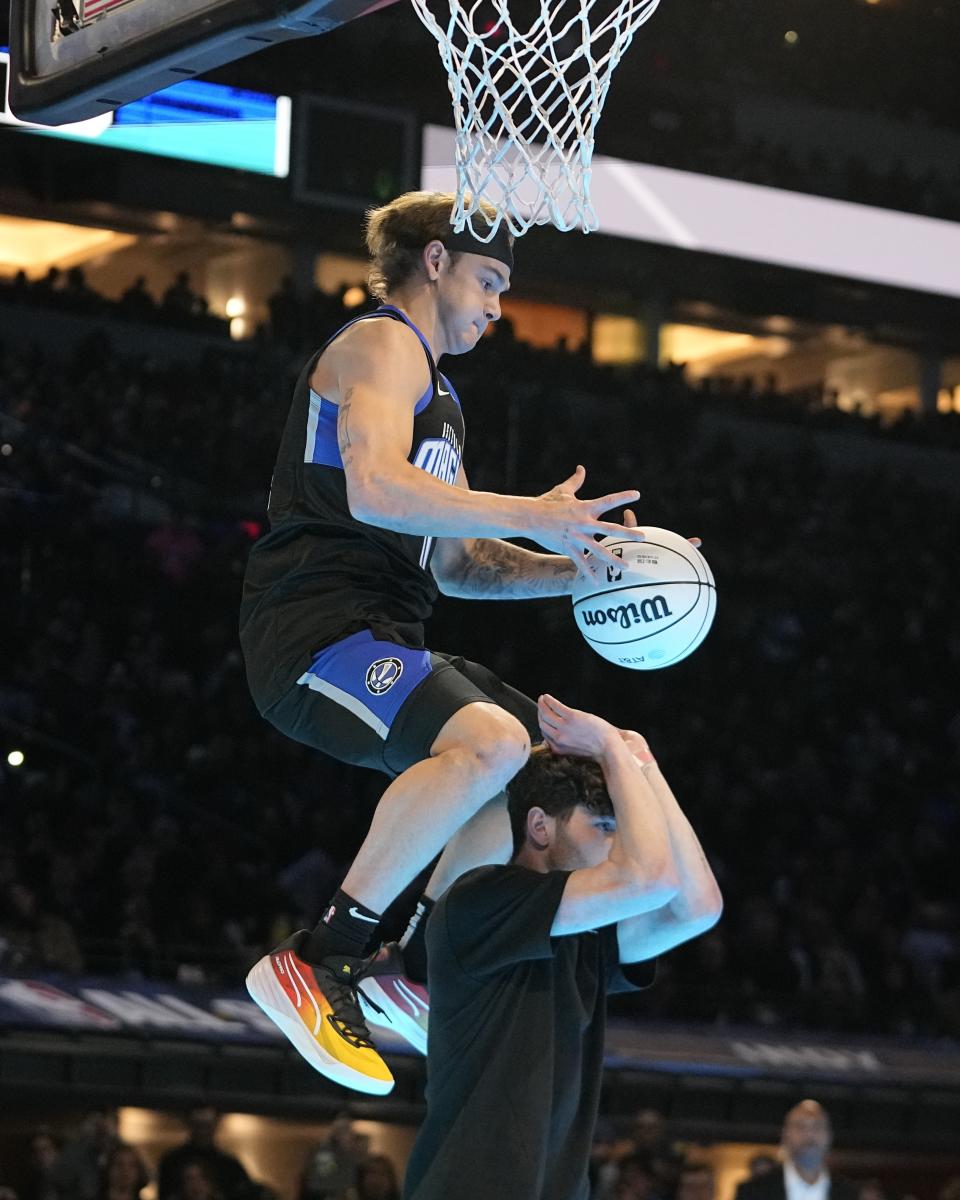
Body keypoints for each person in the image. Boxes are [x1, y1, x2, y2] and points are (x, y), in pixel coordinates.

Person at [240, 190, 642, 1095]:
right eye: (491, 280)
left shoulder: (444, 395)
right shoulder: (379, 345)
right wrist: (533, 512)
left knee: (530, 769)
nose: (499, 307)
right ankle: (318, 958)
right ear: (434, 262)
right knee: (490, 742)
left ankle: (398, 967)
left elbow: (458, 564)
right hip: (315, 628)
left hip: (384, 624)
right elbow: (377, 489)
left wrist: (587, 571)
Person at [401, 693, 723, 1200]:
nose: (615, 845)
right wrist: (611, 753)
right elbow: (652, 879)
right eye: (602, 827)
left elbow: (697, 906)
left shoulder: (585, 935)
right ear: (538, 826)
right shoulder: (480, 901)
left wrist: (644, 766)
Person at [734, 1101, 858, 1200]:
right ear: (784, 1136)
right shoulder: (754, 1192)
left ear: (829, 1136)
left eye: (817, 1126)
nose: (809, 1134)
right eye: (800, 1126)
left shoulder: (848, 1193)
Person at [157, 1107, 251, 1200]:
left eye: (207, 1126)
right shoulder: (172, 1162)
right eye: (198, 1125)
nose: (203, 1131)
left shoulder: (230, 1165)